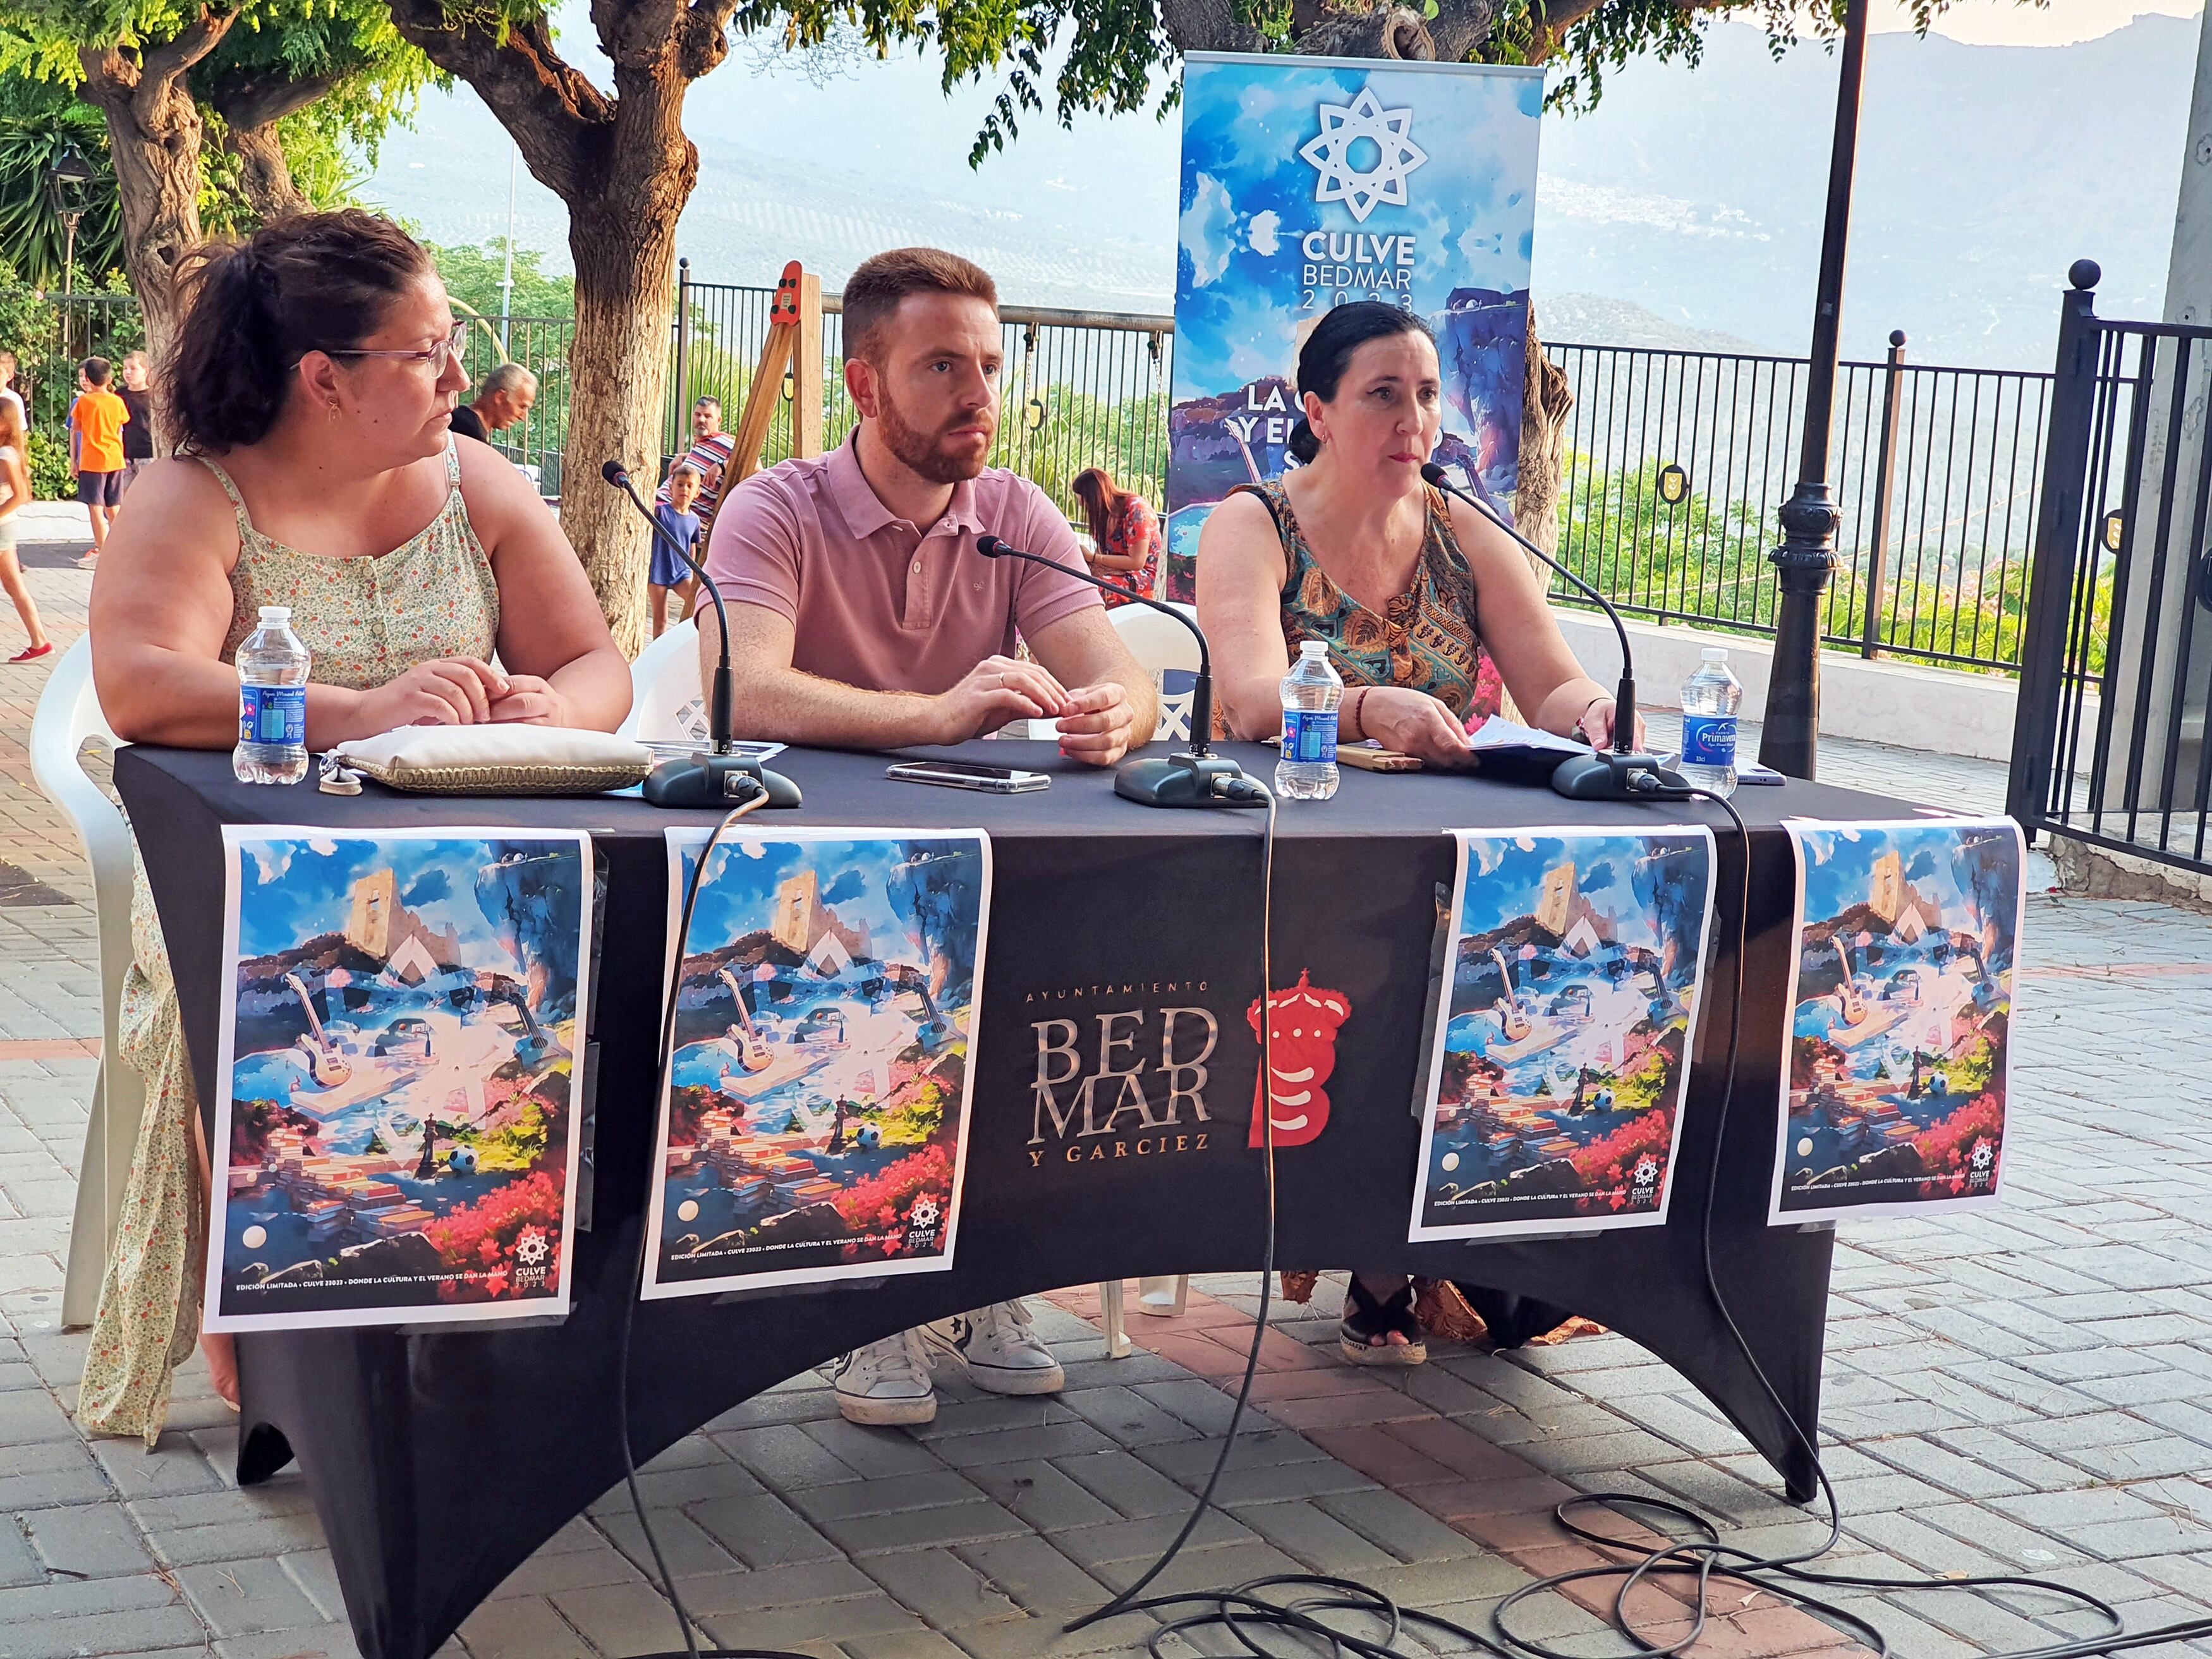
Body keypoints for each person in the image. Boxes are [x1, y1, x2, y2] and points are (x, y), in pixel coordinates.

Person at [80, 209, 631, 1442]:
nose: (456, 374)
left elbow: (599, 661)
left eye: (452, 345)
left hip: (464, 887)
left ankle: (517, 1292)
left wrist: (552, 702)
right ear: (323, 381)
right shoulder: (194, 493)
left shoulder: (476, 483)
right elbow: (140, 683)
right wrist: (356, 710)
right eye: (426, 351)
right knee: (271, 992)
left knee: (568, 975)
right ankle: (293, 1317)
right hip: (254, 892)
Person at [701, 245, 1155, 1425]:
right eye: (943, 365)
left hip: (980, 879)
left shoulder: (1015, 514)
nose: (979, 396)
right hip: (799, 886)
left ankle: (985, 1278)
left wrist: (1118, 716)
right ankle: (871, 1305)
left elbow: (1124, 679)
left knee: (1067, 989)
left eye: (990, 367)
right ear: (863, 383)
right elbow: (739, 691)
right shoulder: (775, 507)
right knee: (867, 1023)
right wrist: (936, 716)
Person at [1198, 301, 1642, 1366]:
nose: (1415, 420)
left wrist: (1589, 714)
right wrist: (1363, 705)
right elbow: (1254, 698)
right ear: (1318, 409)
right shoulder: (1251, 524)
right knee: (1391, 967)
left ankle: (1514, 1232)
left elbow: (1548, 678)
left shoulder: (1463, 524)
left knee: (1548, 954)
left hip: (1448, 854)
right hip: (1297, 860)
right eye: (1383, 396)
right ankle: (1382, 1260)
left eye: (1429, 395)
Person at [1070, 468, 1162, 607]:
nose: (1081, 505)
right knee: (1070, 581)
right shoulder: (1103, 514)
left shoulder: (1136, 509)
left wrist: (1092, 558)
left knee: (1091, 591)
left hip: (1143, 578)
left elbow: (1137, 562)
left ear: (1095, 497)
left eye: (1083, 500)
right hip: (1115, 572)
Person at [0, 396, 49, 662]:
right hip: (5, 526)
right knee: (14, 586)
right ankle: (39, 640)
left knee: (15, 586)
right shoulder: (7, 452)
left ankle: (40, 640)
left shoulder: (6, 456)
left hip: (2, 526)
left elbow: (21, 495)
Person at [69, 356, 129, 568]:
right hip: (115, 458)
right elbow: (118, 430)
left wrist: (74, 461)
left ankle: (103, 552)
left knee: (96, 508)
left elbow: (77, 429)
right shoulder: (117, 401)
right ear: (110, 379)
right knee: (114, 507)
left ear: (88, 378)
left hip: (93, 461)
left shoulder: (84, 402)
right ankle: (123, 550)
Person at [660, 396, 737, 526]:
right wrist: (682, 456)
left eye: (708, 416)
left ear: (719, 421)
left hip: (684, 516)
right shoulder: (703, 442)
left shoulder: (726, 443)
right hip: (665, 504)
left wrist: (722, 465)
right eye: (698, 415)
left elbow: (757, 467)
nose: (701, 420)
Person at [649, 459, 703, 636]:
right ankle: (657, 655)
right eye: (680, 485)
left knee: (696, 604)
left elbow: (692, 546)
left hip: (681, 572)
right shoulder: (661, 513)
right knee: (661, 618)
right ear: (671, 487)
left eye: (689, 486)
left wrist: (691, 571)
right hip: (658, 571)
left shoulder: (695, 520)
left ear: (697, 492)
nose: (684, 490)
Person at [448, 362, 537, 445]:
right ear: (500, 397)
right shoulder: (470, 436)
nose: (523, 417)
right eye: (522, 407)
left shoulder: (459, 418)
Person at [117, 351, 155, 495]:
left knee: (147, 495)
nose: (127, 372)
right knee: (124, 496)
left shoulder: (153, 396)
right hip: (124, 454)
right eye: (125, 368)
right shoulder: (118, 395)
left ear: (146, 371)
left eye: (133, 368)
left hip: (147, 453)